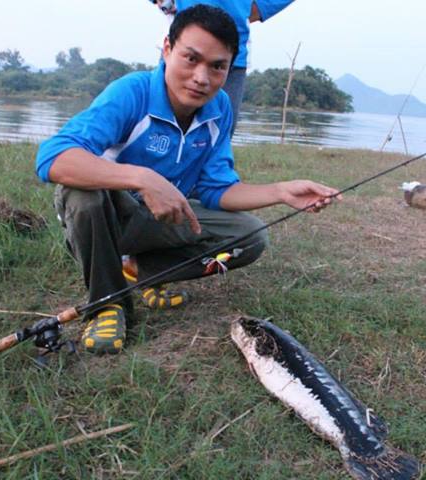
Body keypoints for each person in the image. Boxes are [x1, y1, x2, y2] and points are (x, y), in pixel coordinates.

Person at [35, 5, 339, 355]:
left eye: (217, 66)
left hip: (157, 222)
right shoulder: (132, 92)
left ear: (230, 68)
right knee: (82, 196)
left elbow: (216, 189)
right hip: (105, 223)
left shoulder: (219, 108)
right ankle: (106, 303)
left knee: (250, 236)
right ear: (166, 49)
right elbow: (52, 157)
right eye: (190, 59)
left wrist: (281, 191)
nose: (201, 77)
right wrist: (142, 178)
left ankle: (141, 271)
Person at [149, 0, 296, 137]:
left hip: (233, 50)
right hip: (182, 41)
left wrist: (255, 7)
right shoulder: (131, 90)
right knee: (157, 130)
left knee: (218, 134)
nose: (201, 78)